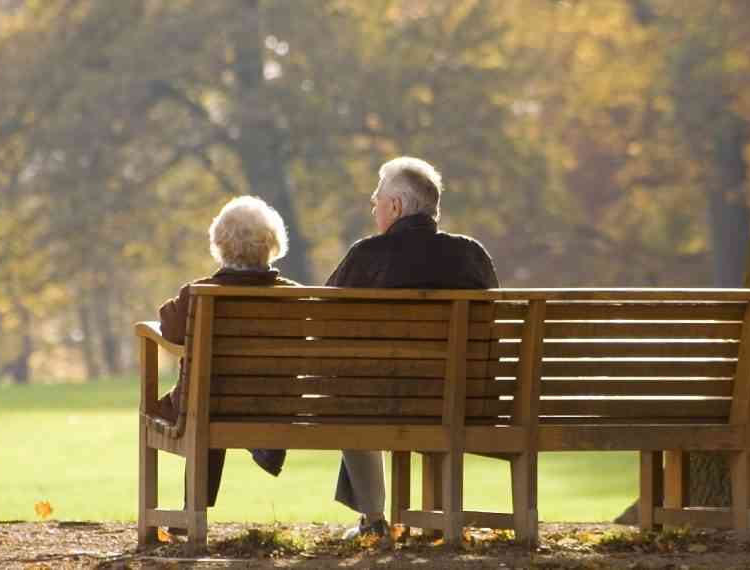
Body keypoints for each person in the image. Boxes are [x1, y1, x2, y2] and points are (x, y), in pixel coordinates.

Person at [325, 156, 499, 538]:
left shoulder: (366, 256)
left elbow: (324, 323)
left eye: (376, 201)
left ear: (397, 206)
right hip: (464, 399)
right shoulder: (471, 254)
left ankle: (373, 520)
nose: (373, 208)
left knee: (347, 390)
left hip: (376, 403)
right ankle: (429, 517)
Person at [156, 195, 296, 507]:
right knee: (215, 391)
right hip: (271, 406)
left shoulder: (198, 294)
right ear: (273, 243)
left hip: (207, 404)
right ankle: (262, 441)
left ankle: (194, 508)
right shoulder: (295, 297)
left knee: (199, 396)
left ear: (219, 243)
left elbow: (170, 331)